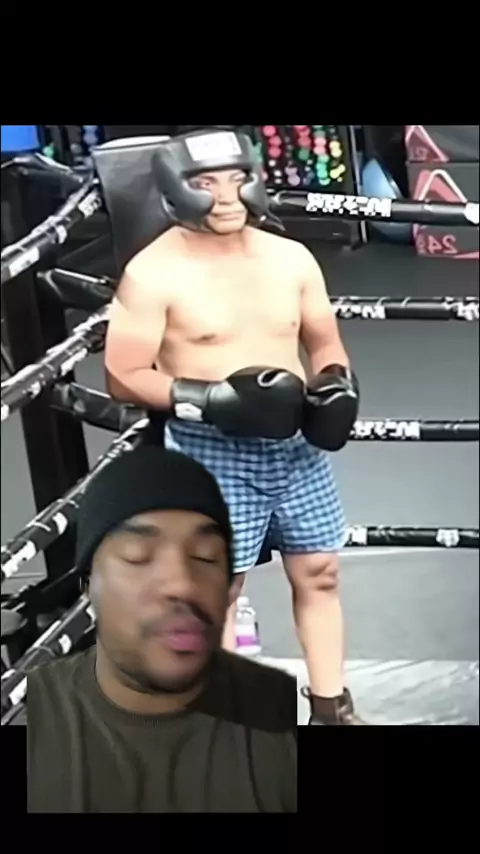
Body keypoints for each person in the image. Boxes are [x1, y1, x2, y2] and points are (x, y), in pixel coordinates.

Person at [104, 127, 366, 725]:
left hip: (295, 444)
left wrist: (335, 385)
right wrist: (211, 400)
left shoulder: (290, 258)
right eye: (206, 182)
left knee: (319, 572)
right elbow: (123, 374)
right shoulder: (154, 273)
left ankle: (332, 708)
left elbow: (325, 342)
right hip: (210, 450)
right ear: (178, 189)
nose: (225, 196)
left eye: (236, 178)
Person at [27, 445, 297, 813]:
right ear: (88, 586)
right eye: (137, 555)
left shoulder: (273, 715)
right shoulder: (34, 719)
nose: (181, 585)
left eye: (205, 557)